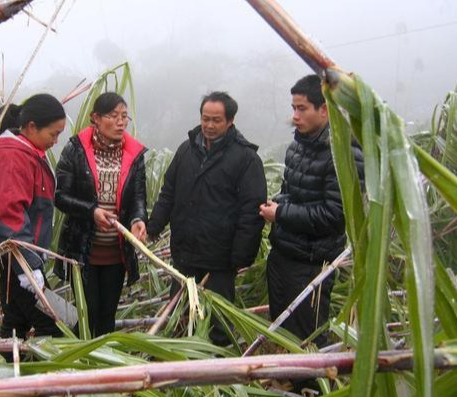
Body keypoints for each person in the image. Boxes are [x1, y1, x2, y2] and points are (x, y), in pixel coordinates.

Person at [147, 91, 267, 345]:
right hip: (184, 253)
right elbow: (168, 193)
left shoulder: (246, 159)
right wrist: (153, 227)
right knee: (178, 313)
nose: (209, 126)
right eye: (205, 119)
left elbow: (251, 212)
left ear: (231, 121)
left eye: (216, 120)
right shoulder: (186, 150)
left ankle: (216, 369)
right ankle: (177, 363)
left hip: (220, 259)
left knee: (218, 320)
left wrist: (241, 256)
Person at [259, 74, 364, 348]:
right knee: (282, 334)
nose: (295, 116)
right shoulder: (297, 146)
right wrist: (275, 203)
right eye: (293, 108)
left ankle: (309, 389)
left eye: (302, 108)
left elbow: (334, 215)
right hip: (283, 255)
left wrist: (280, 214)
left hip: (311, 265)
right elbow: (292, 192)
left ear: (324, 110)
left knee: (306, 341)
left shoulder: (343, 152)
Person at [54, 92, 148, 337]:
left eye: (124, 116)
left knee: (107, 315)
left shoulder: (134, 154)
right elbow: (60, 196)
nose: (120, 122)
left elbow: (138, 197)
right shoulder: (76, 149)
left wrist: (138, 220)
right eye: (113, 116)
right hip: (82, 250)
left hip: (116, 252)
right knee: (87, 313)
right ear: (95, 118)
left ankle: (104, 368)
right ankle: (83, 364)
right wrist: (92, 211)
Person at [0, 93, 66, 340]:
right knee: (56, 323)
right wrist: (28, 266)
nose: (56, 141)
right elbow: (9, 213)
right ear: (31, 127)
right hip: (13, 254)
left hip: (20, 253)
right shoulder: (10, 156)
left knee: (17, 319)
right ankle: (49, 375)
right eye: (53, 134)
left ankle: (11, 373)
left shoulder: (28, 152)